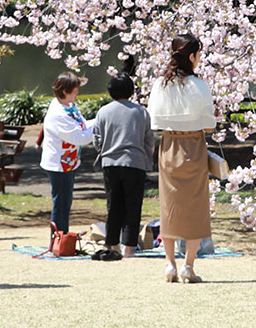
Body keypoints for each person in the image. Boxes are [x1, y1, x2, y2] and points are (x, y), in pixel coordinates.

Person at [150, 36, 219, 284]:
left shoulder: (161, 84)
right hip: (194, 145)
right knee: (195, 206)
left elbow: (154, 119)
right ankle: (188, 266)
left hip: (169, 144)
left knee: (170, 204)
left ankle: (170, 264)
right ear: (191, 56)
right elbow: (210, 124)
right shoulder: (199, 86)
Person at [91, 69, 153, 258]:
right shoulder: (141, 111)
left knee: (114, 205)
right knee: (133, 205)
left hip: (110, 162)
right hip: (135, 162)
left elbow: (96, 140)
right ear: (131, 91)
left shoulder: (103, 112)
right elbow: (148, 139)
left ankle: (112, 244)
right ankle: (129, 248)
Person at [41, 73, 93, 248]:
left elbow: (84, 126)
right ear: (64, 91)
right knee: (60, 202)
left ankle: (63, 239)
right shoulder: (58, 113)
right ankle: (57, 241)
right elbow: (79, 137)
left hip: (69, 162)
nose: (77, 93)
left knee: (66, 201)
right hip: (58, 164)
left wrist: (100, 121)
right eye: (75, 90)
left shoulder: (70, 106)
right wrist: (101, 125)